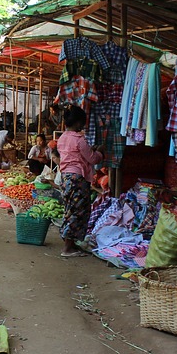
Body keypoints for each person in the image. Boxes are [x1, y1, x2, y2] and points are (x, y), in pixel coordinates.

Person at [57, 106, 104, 257]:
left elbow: (79, 155)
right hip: (77, 179)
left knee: (70, 209)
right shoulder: (79, 139)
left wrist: (92, 150)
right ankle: (68, 248)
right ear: (78, 123)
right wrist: (100, 152)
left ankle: (70, 242)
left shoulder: (62, 138)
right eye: (83, 123)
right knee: (78, 211)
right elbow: (92, 158)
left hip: (66, 177)